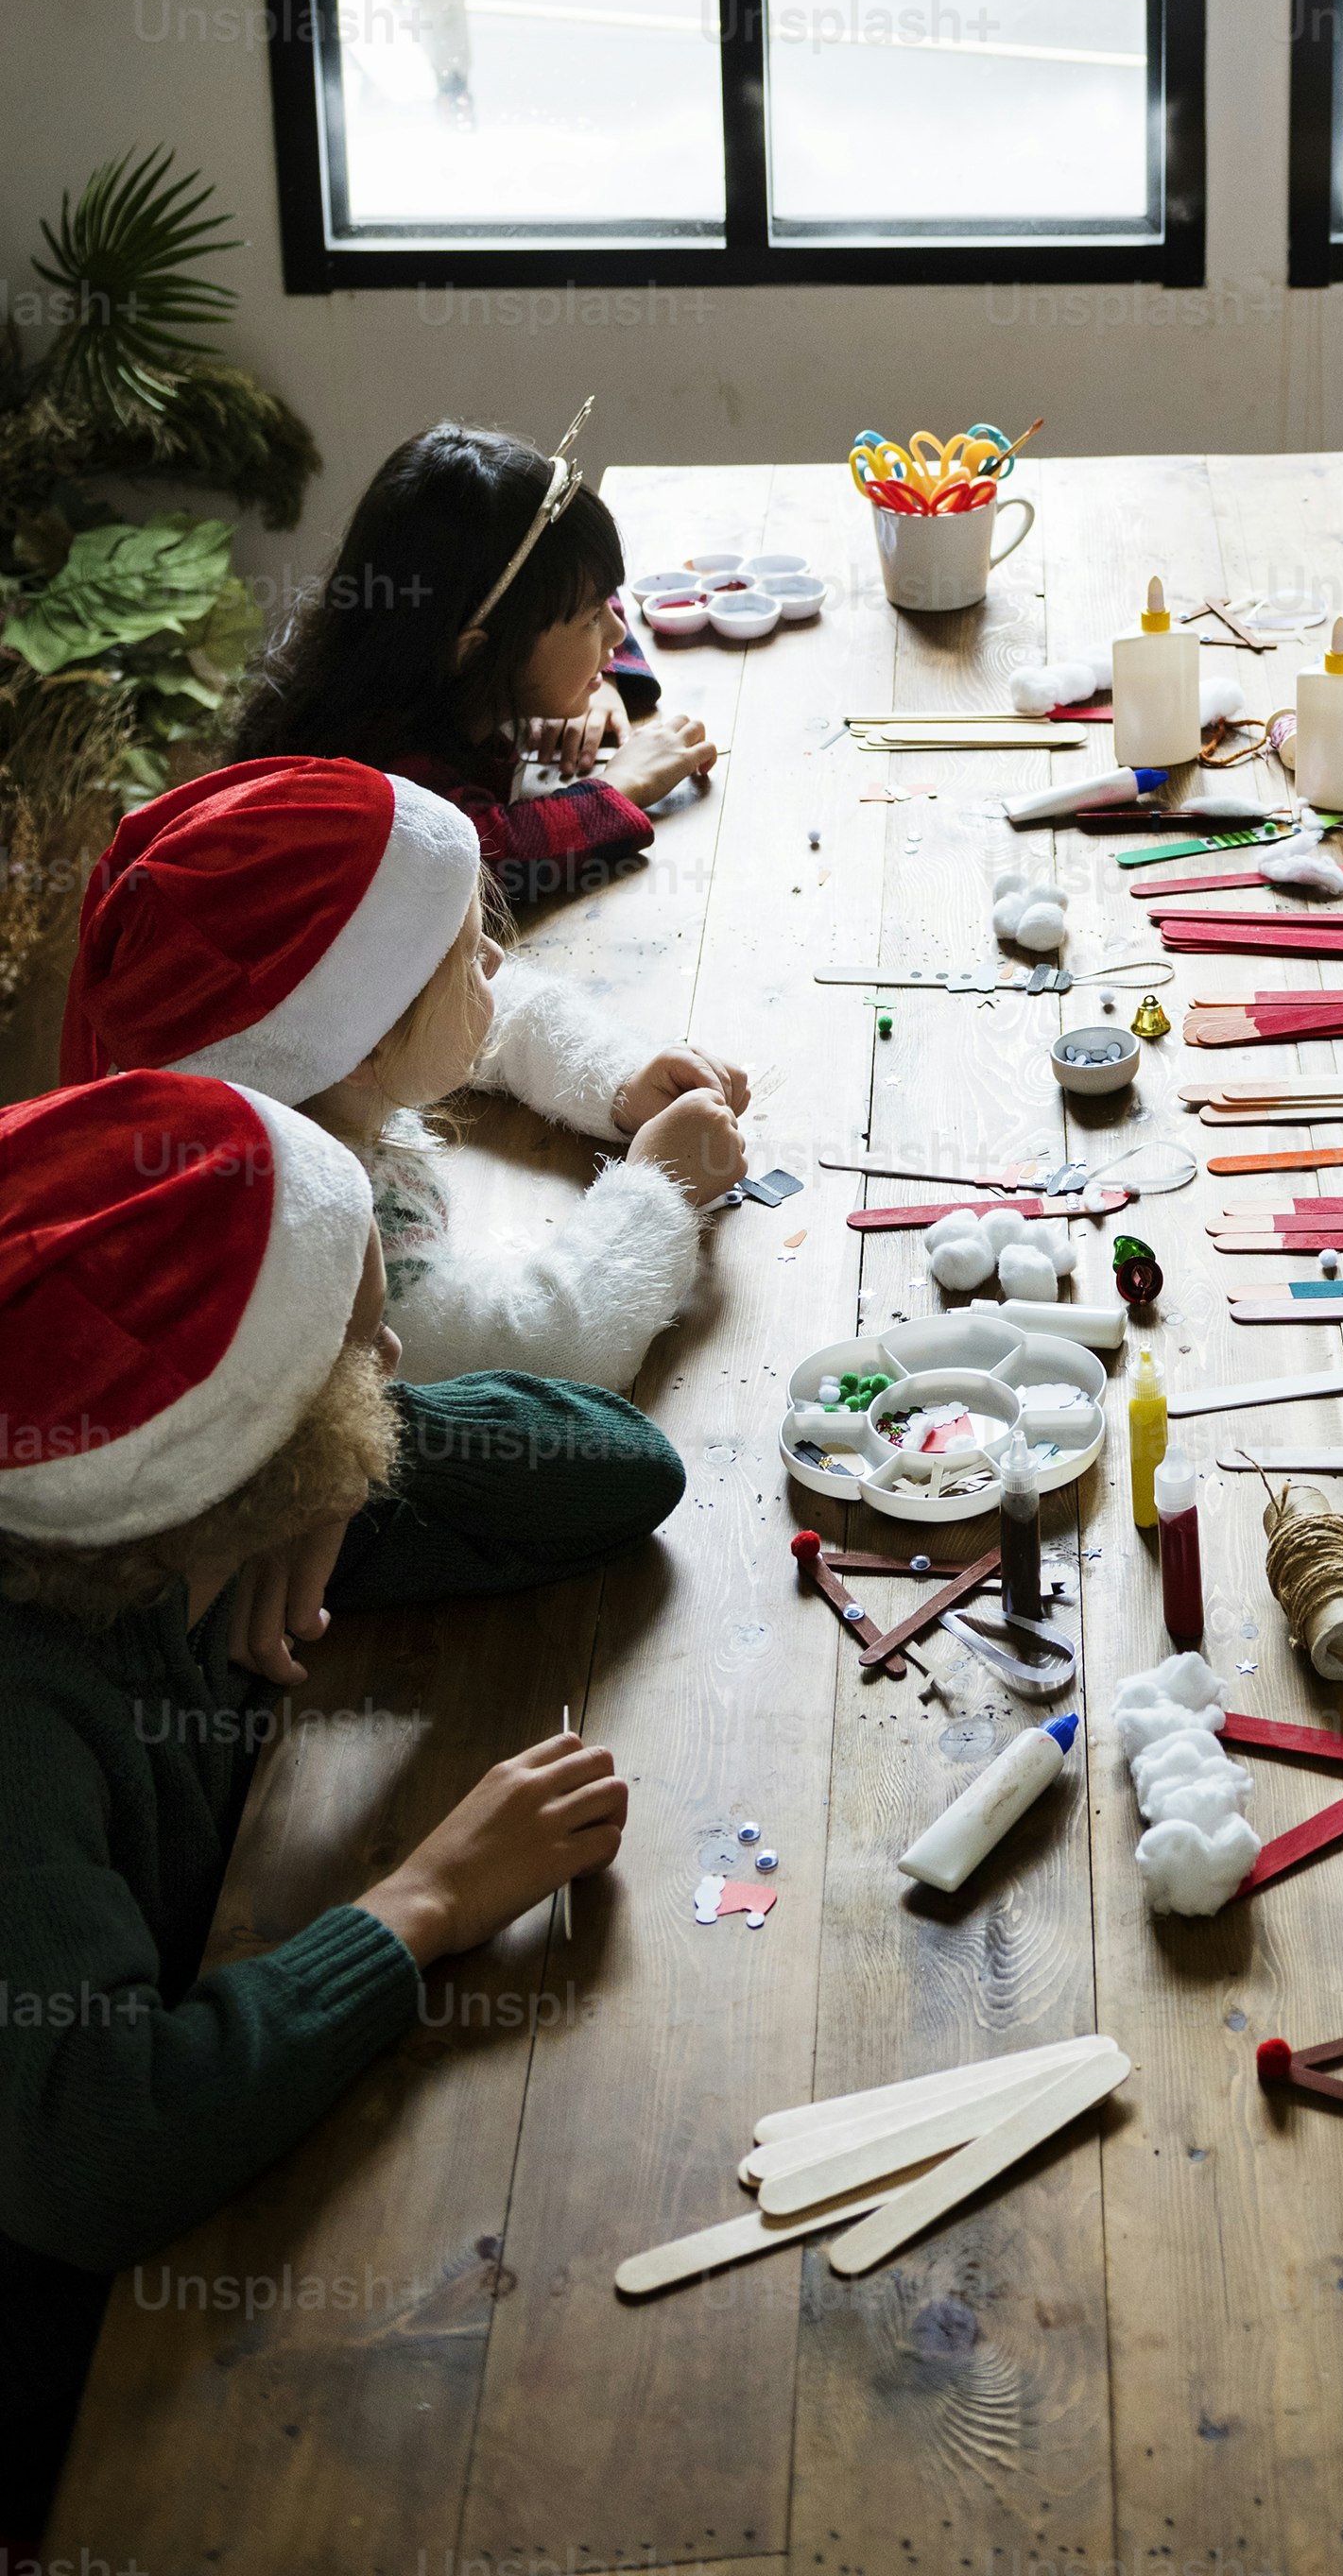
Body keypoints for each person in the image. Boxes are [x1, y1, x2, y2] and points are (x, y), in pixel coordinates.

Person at [0, 1073, 680, 2535]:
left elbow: (622, 1473)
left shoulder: (163, 1494)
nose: (392, 1353)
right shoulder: (33, 1716)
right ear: (242, 1423)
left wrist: (325, 1463)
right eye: (364, 1342)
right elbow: (94, 2155)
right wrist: (418, 1908)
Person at [60, 759, 749, 1388]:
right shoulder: (328, 1227)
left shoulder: (310, 1060)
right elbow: (544, 1354)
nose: (497, 962)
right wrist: (663, 1185)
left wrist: (617, 1081)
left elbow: (482, 1016)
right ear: (362, 1048)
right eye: (466, 956)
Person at [228, 411, 715, 913]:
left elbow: (601, 604)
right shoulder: (387, 775)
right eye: (591, 620)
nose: (616, 630)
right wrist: (620, 785)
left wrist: (602, 679)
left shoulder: (429, 665)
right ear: (478, 652)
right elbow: (485, 862)